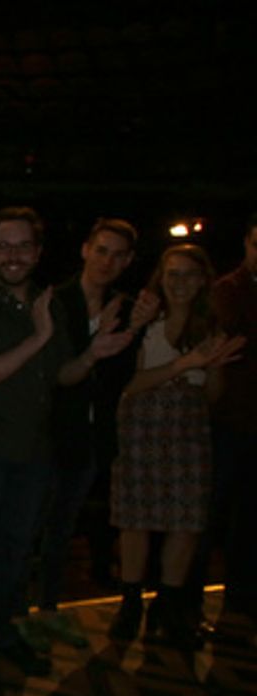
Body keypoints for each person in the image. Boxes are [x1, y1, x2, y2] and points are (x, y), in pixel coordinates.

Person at [0, 208, 135, 680]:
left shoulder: (47, 304)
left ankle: (1, 634)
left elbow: (62, 374)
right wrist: (41, 335)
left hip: (33, 448)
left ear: (37, 252)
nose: (13, 256)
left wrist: (93, 352)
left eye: (22, 246)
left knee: (16, 548)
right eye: (3, 246)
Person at [109, 245, 244, 644]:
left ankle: (165, 607)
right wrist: (181, 366)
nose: (180, 283)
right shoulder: (145, 322)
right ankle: (130, 603)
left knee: (184, 524)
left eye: (188, 275)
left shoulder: (210, 327)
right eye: (172, 275)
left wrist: (213, 368)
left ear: (203, 280)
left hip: (189, 430)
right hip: (141, 427)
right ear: (160, 278)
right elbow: (126, 385)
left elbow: (212, 396)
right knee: (135, 520)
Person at [36, 219, 153, 628]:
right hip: (43, 431)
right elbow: (53, 371)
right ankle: (12, 614)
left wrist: (135, 328)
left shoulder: (123, 308)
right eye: (102, 250)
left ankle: (47, 611)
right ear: (86, 249)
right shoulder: (54, 299)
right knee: (30, 526)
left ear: (129, 261)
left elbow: (119, 377)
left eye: (118, 255)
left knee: (63, 529)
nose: (108, 261)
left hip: (90, 437)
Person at [197, 213, 257, 624]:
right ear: (247, 245)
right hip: (226, 421)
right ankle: (186, 602)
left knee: (250, 517)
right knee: (207, 515)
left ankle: (241, 599)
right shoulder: (226, 292)